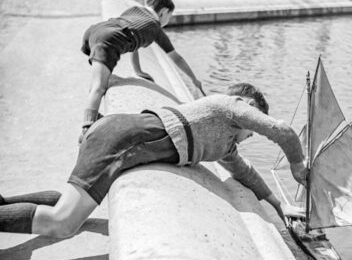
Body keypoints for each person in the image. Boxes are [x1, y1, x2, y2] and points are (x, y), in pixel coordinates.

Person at [0, 84, 308, 236]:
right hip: (124, 139)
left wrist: (281, 206)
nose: (253, 133)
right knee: (62, 224)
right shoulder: (231, 106)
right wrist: (297, 164)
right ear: (251, 105)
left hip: (124, 136)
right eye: (255, 122)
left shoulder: (225, 144)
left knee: (62, 204)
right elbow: (281, 130)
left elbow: (245, 173)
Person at [80, 0, 203, 140]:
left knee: (98, 81)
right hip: (110, 39)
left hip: (95, 31)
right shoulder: (156, 28)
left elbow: (132, 41)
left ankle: (92, 113)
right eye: (169, 17)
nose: (168, 21)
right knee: (98, 87)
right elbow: (176, 58)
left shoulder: (134, 10)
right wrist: (194, 79)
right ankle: (86, 131)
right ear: (164, 12)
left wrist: (138, 70)